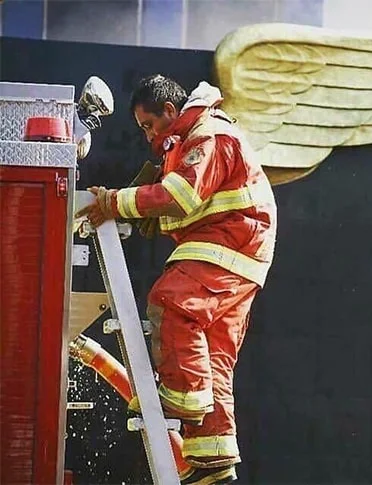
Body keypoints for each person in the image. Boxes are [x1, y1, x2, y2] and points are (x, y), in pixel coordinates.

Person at [76, 74, 277, 484]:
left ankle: (180, 400)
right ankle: (213, 460)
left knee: (172, 302)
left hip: (228, 243)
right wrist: (134, 202)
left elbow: (179, 195)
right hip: (242, 250)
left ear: (170, 110)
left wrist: (114, 203)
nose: (149, 136)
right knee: (212, 356)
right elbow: (179, 197)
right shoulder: (194, 138)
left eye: (150, 125)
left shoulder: (207, 134)